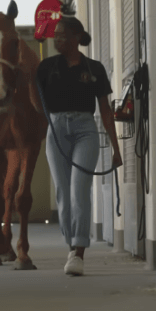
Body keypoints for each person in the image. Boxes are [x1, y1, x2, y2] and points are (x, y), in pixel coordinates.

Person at [36, 16, 123, 276]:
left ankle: (79, 252)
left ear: (76, 38)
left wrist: (116, 149)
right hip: (56, 129)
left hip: (86, 129)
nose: (56, 39)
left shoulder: (94, 69)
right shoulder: (45, 68)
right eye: (55, 34)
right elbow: (33, 100)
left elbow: (105, 111)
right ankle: (71, 245)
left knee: (78, 190)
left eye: (62, 35)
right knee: (63, 194)